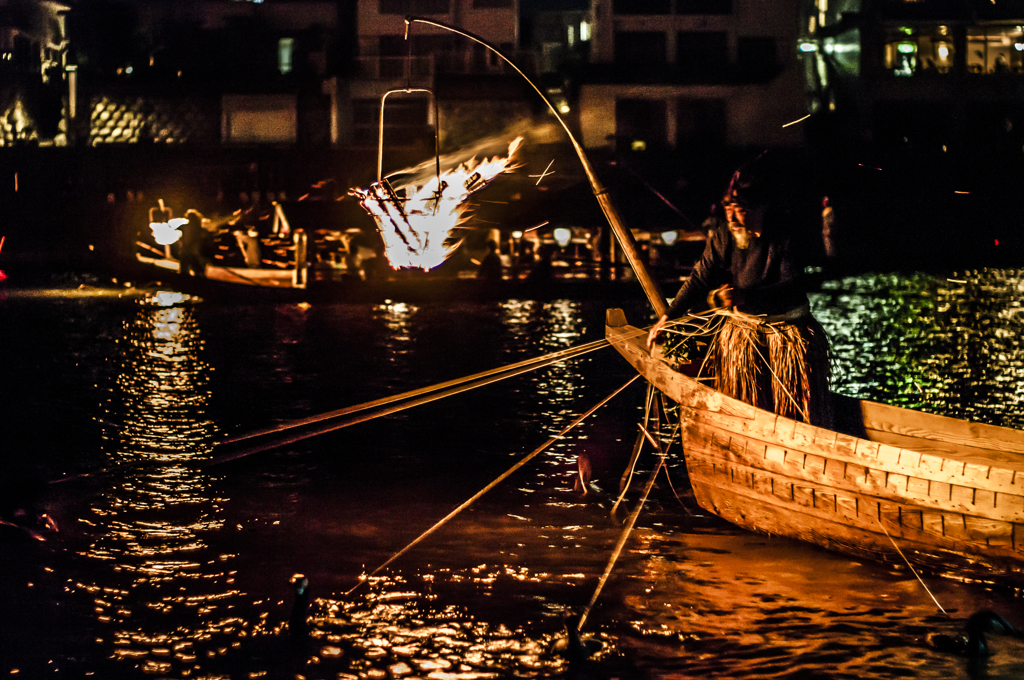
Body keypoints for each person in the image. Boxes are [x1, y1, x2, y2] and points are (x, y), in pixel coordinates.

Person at [646, 154, 833, 427]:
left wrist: (747, 297)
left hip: (786, 332)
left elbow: (792, 286)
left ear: (761, 207)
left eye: (740, 208)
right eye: (727, 207)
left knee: (793, 415)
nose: (731, 217)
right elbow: (700, 277)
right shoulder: (724, 234)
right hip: (744, 334)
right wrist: (669, 317)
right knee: (746, 410)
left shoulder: (785, 234)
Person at [178, 209, 209, 277]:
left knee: (193, 268)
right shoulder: (190, 227)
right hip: (190, 251)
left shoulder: (195, 228)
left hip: (190, 251)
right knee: (190, 268)